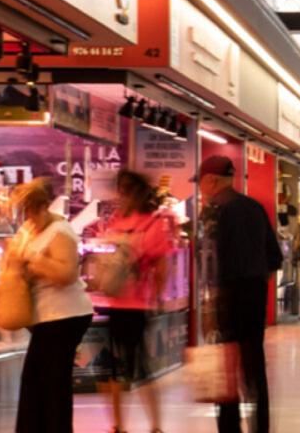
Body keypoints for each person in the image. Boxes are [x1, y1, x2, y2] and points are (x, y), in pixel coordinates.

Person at [197, 156, 284, 433]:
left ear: (210, 179)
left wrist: (210, 306)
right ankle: (261, 428)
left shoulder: (212, 211)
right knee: (253, 367)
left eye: (200, 182)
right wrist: (256, 285)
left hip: (226, 296)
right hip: (255, 294)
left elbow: (210, 263)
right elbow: (275, 258)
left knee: (225, 368)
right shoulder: (255, 207)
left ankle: (229, 428)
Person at [11, 178, 94, 433]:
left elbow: (67, 274)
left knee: (53, 383)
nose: (26, 217)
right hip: (44, 316)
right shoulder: (28, 229)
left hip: (65, 316)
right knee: (35, 381)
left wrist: (32, 262)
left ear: (41, 207)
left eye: (29, 210)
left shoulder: (61, 231)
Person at [104, 171, 175, 433]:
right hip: (134, 305)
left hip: (122, 302)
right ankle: (151, 425)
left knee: (122, 368)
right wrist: (157, 295)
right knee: (140, 367)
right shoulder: (150, 223)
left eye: (123, 190)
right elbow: (162, 264)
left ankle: (120, 424)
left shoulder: (119, 220)